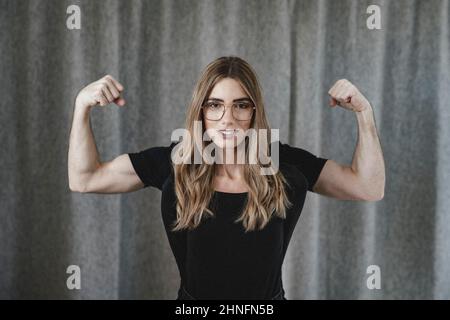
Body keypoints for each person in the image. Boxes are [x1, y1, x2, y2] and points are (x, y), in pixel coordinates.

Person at [68, 56, 385, 300]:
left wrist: (364, 113)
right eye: (215, 105)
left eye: (241, 106)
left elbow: (367, 187)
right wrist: (82, 105)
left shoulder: (282, 163)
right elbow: (85, 179)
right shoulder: (178, 162)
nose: (228, 119)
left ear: (255, 111)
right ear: (201, 111)